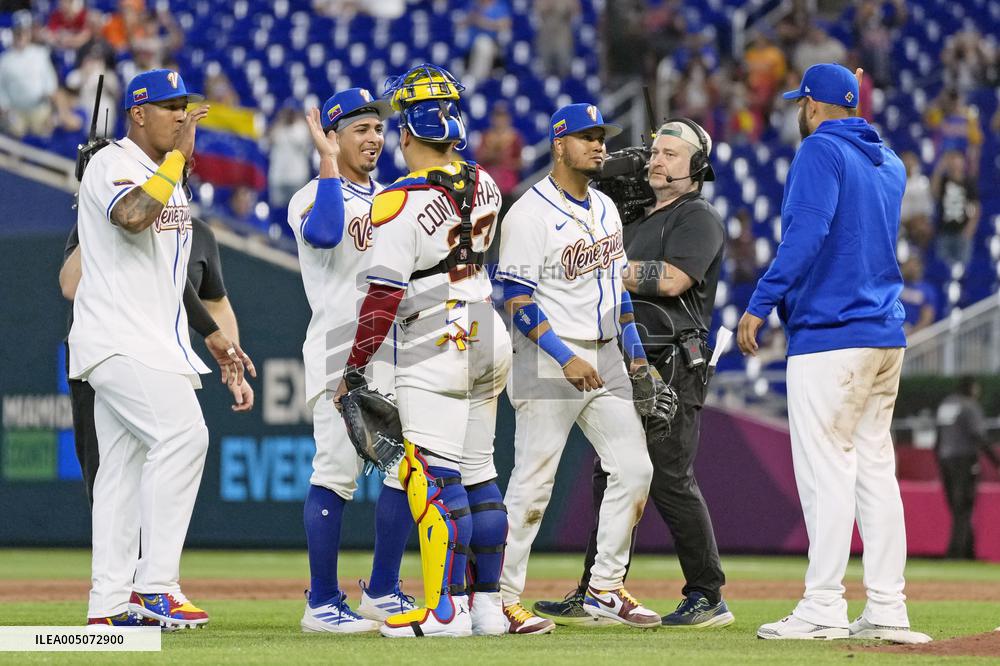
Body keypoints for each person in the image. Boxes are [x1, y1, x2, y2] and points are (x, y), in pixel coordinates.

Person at [737, 63, 930, 644]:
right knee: (875, 470)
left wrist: (760, 302)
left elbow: (808, 232)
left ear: (816, 106)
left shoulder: (820, 150)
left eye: (803, 102)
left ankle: (822, 605)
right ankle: (888, 608)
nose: (800, 110)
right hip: (883, 335)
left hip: (832, 335)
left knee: (826, 471)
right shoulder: (889, 162)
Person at [68, 69, 254, 629]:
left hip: (153, 338)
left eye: (185, 106)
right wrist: (176, 163)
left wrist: (213, 334)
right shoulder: (112, 164)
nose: (181, 115)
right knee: (183, 435)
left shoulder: (165, 176)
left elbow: (169, 274)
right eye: (169, 106)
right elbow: (130, 219)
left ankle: (107, 609)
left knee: (120, 473)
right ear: (138, 113)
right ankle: (155, 586)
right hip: (118, 339)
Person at [532, 118, 733, 629]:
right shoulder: (634, 217)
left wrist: (599, 268)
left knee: (668, 476)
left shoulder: (698, 216)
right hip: (632, 359)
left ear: (698, 168)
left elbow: (671, 280)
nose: (656, 160)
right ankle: (596, 589)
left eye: (670, 153)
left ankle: (708, 594)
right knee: (612, 473)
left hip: (675, 361)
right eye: (655, 152)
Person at [336, 64, 510, 638]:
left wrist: (355, 367)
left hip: (437, 332)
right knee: (481, 474)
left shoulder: (396, 201)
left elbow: (383, 297)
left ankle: (445, 610)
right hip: (486, 324)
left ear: (407, 133)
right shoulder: (486, 182)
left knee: (433, 478)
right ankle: (486, 605)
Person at [496, 103, 657, 634]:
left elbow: (618, 294)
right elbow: (517, 301)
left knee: (635, 469)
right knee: (534, 483)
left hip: (605, 353)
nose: (599, 145)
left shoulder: (606, 208)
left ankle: (605, 589)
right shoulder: (528, 213)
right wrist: (565, 359)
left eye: (601, 137)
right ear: (558, 144)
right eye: (586, 137)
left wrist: (634, 356)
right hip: (549, 359)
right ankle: (499, 597)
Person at [286, 87, 416, 633]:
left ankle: (383, 589)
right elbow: (324, 232)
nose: (374, 138)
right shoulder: (311, 196)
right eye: (359, 130)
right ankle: (320, 601)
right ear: (333, 136)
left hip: (396, 350)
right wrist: (326, 162)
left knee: (408, 471)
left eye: (378, 129)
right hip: (340, 349)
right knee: (337, 473)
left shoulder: (394, 198)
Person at [59, 214, 254, 507]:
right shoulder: (106, 218)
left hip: (165, 366)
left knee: (172, 458)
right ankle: (132, 552)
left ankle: (149, 551)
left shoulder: (198, 233)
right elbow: (70, 286)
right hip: (105, 365)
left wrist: (233, 362)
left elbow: (216, 302)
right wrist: (103, 218)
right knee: (108, 478)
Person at [935, 377, 1000, 559]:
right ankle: (958, 552)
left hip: (945, 460)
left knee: (956, 508)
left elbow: (937, 437)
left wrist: (939, 461)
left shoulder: (946, 405)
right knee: (964, 508)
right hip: (964, 460)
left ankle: (964, 550)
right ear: (972, 388)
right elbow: (978, 435)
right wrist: (996, 462)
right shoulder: (970, 406)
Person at [0, 11, 59, 138]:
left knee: (43, 136)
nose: (21, 36)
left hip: (39, 108)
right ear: (13, 33)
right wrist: (6, 110)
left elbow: (50, 83)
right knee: (15, 137)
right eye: (18, 32)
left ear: (29, 34)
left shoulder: (40, 53)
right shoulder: (4, 59)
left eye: (24, 32)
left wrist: (53, 110)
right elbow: (1, 89)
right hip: (15, 111)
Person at [931, 149, 980, 269]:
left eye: (957, 160)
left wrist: (969, 229)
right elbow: (934, 193)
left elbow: (976, 208)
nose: (955, 163)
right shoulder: (943, 181)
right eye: (952, 160)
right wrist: (939, 169)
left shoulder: (969, 182)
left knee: (962, 268)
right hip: (944, 231)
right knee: (942, 268)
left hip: (962, 232)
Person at [899, 255, 938, 335]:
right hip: (895, 330)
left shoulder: (927, 289)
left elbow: (927, 318)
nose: (910, 267)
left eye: (913, 265)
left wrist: (912, 333)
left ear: (919, 267)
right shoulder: (897, 285)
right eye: (907, 264)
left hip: (916, 334)